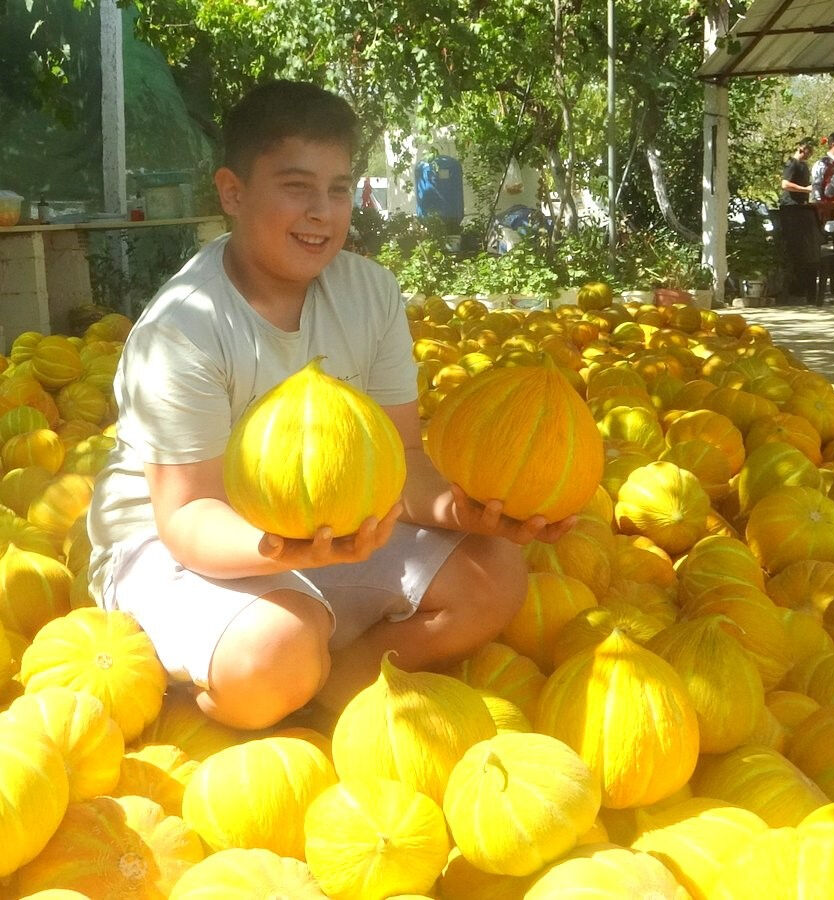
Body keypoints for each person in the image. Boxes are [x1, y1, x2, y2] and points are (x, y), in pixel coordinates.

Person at [84, 81, 563, 731]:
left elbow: (406, 461)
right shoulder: (183, 327)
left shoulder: (371, 292)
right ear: (232, 191)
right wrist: (289, 550)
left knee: (496, 575)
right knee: (275, 650)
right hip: (179, 543)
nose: (321, 211)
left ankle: (336, 684)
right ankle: (221, 690)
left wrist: (470, 509)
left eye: (338, 189)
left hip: (326, 531)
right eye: (296, 186)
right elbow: (189, 516)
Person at [775, 139, 820, 304]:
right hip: (791, 210)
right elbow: (785, 184)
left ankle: (803, 288)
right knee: (794, 249)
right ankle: (793, 288)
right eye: (808, 150)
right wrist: (805, 189)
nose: (809, 153)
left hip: (802, 208)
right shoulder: (792, 164)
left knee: (805, 250)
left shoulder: (804, 166)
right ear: (801, 148)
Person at [810, 132, 834, 203]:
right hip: (827, 206)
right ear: (833, 144)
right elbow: (817, 185)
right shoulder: (821, 164)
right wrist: (819, 203)